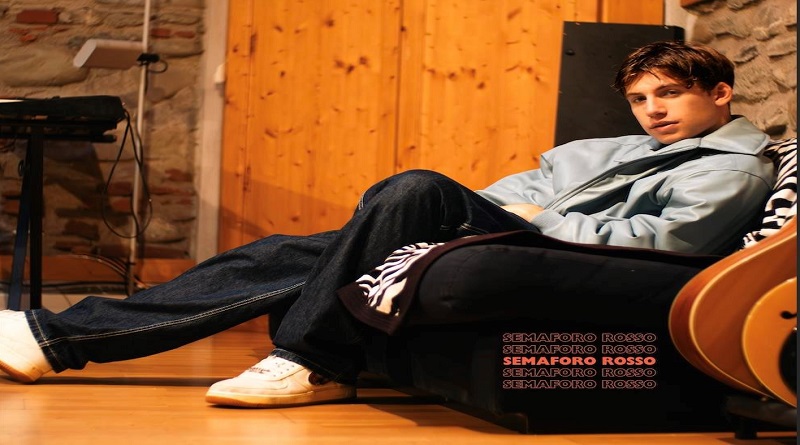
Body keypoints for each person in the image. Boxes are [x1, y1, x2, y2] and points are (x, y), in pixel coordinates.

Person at [0, 41, 775, 408]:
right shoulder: (612, 148)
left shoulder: (732, 167)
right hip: (509, 225)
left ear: (720, 93)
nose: (652, 110)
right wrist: (505, 208)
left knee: (412, 187)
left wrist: (542, 218)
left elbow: (668, 245)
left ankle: (312, 357)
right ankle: (54, 334)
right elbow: (509, 189)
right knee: (294, 250)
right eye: (641, 98)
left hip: (555, 249)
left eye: (670, 94)